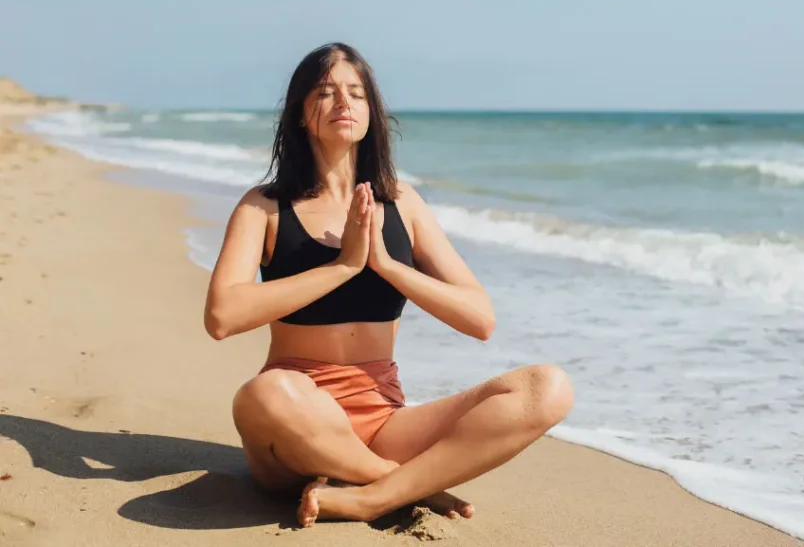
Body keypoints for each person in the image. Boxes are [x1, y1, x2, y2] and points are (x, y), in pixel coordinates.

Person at [202, 42, 574, 527]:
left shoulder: (403, 204)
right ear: (299, 113)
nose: (343, 103)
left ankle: (367, 496)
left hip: (383, 420)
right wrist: (342, 267)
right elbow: (222, 316)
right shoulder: (265, 206)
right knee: (264, 394)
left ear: (371, 113)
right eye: (325, 92)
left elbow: (480, 319)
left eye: (356, 94)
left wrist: (387, 264)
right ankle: (403, 484)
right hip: (295, 423)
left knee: (547, 388)